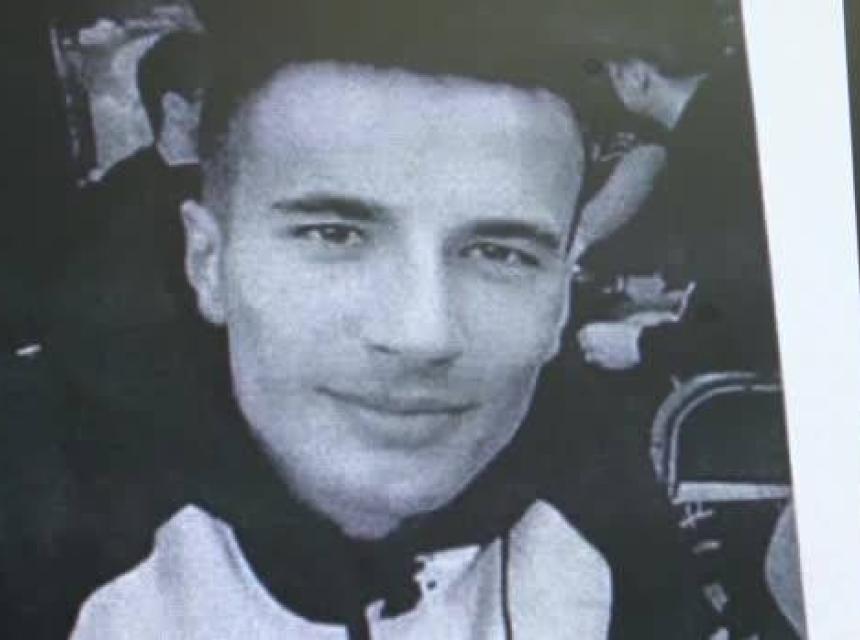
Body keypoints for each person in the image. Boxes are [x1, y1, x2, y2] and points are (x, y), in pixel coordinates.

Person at [5, 1, 706, 638]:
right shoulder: (42, 503)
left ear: (561, 299)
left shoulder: (597, 491)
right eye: (334, 234)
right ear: (207, 263)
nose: (422, 335)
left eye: (500, 253)